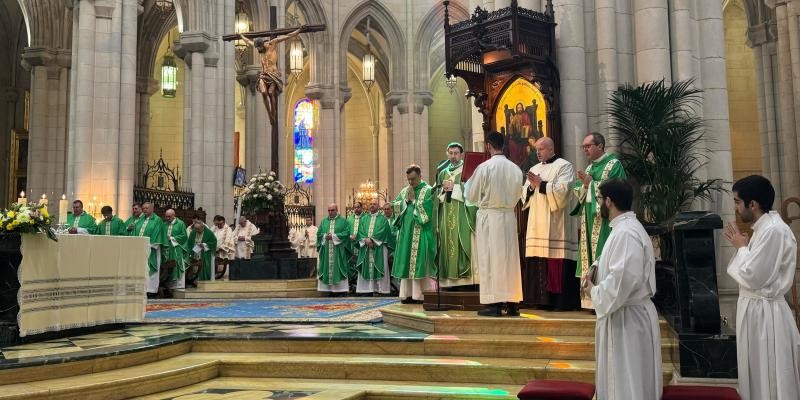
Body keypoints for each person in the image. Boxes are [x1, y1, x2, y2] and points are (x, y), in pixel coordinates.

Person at [724, 175, 800, 400]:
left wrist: (741, 249)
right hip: (758, 313)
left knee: (770, 377)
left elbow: (754, 276)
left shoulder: (774, 230)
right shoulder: (763, 229)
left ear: (753, 204)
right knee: (757, 375)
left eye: (738, 202)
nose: (736, 208)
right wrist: (746, 247)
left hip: (767, 317)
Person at [583, 179, 661, 400]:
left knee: (629, 383)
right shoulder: (622, 229)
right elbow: (615, 266)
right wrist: (595, 269)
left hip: (629, 321)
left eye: (599, 199)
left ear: (609, 201)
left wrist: (593, 291)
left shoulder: (626, 233)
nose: (598, 204)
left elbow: (623, 279)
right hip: (623, 316)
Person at [465, 132, 523, 317]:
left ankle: (495, 304)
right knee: (510, 260)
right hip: (508, 216)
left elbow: (471, 196)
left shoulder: (485, 167)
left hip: (490, 217)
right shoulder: (515, 168)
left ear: (489, 145)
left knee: (491, 260)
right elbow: (518, 195)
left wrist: (467, 185)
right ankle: (513, 304)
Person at [521, 137, 580, 310]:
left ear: (551, 148)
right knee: (538, 260)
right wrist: (531, 187)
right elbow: (524, 193)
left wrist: (541, 184)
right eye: (537, 149)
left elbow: (563, 191)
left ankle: (560, 302)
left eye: (541, 148)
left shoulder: (564, 166)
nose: (538, 152)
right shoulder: (534, 168)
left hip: (556, 223)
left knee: (556, 260)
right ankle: (541, 300)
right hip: (537, 222)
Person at [571, 132, 626, 309]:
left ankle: (604, 299)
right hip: (588, 221)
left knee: (603, 256)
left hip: (605, 221)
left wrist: (591, 184)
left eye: (588, 146)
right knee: (589, 257)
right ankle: (590, 301)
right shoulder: (589, 168)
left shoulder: (613, 164)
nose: (584, 149)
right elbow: (581, 190)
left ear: (600, 146)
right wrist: (583, 186)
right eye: (583, 147)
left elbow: (616, 191)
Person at [435, 142, 478, 288]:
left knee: (460, 242)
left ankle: (464, 280)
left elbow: (472, 191)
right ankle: (448, 282)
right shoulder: (442, 172)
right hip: (446, 213)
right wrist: (442, 192)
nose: (453, 156)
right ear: (447, 153)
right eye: (451, 153)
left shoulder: (467, 170)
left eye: (456, 153)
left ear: (461, 154)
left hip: (462, 212)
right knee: (447, 243)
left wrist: (455, 188)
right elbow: (437, 194)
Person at [392, 165, 436, 304]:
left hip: (420, 233)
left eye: (413, 179)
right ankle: (407, 294)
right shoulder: (405, 191)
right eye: (409, 179)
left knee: (419, 264)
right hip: (406, 234)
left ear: (420, 176)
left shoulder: (428, 190)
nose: (411, 182)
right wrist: (405, 201)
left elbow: (428, 212)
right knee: (406, 263)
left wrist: (414, 201)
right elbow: (395, 205)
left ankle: (420, 295)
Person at [356, 199, 392, 295]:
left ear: (378, 206)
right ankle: (366, 290)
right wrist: (366, 239)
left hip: (379, 247)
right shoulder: (364, 219)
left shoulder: (383, 219)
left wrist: (372, 240)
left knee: (381, 266)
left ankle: (380, 290)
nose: (372, 205)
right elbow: (360, 230)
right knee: (366, 266)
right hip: (365, 247)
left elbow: (383, 231)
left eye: (374, 204)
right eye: (371, 204)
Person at [316, 203, 351, 295]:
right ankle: (328, 290)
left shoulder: (343, 221)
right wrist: (324, 236)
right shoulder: (324, 221)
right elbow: (319, 234)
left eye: (332, 210)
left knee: (339, 267)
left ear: (337, 210)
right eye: (329, 210)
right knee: (326, 267)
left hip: (338, 250)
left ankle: (339, 290)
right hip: (326, 250)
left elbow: (347, 233)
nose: (330, 212)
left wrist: (334, 236)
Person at [138, 202, 167, 296]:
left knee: (152, 269)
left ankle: (151, 290)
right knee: (142, 269)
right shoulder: (140, 219)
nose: (144, 210)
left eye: (146, 208)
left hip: (152, 249)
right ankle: (142, 289)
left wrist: (149, 244)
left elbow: (157, 234)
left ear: (152, 209)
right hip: (140, 250)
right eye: (143, 208)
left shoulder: (157, 220)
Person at [162, 209, 189, 292]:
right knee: (168, 265)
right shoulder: (164, 224)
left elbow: (184, 236)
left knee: (177, 264)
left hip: (176, 248)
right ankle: (169, 285)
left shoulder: (180, 223)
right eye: (166, 216)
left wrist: (172, 238)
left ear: (174, 215)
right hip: (167, 248)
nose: (167, 218)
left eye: (169, 217)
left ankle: (179, 285)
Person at [187, 218, 218, 283]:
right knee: (194, 267)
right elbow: (189, 243)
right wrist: (190, 252)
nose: (197, 230)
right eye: (196, 229)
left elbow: (214, 242)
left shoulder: (209, 233)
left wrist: (204, 245)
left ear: (203, 227)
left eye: (198, 229)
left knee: (204, 268)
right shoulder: (193, 232)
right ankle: (194, 281)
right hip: (195, 252)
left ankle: (204, 282)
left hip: (206, 253)